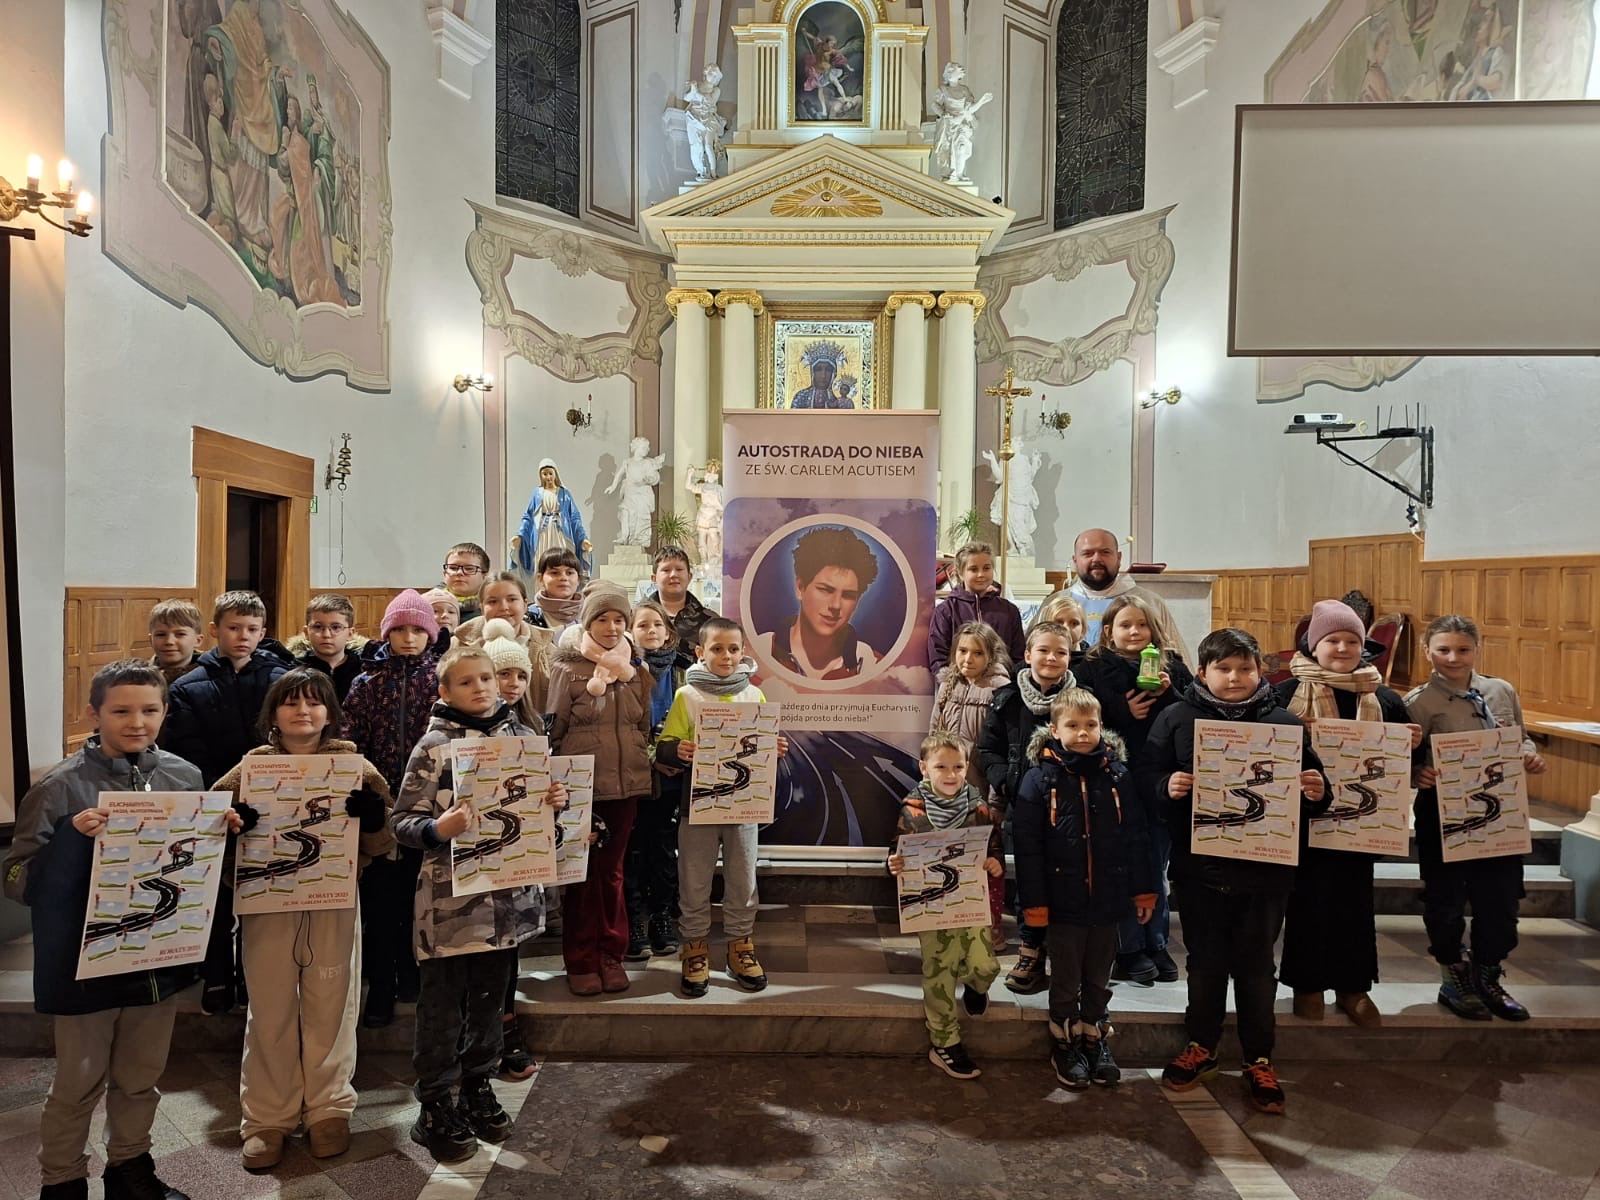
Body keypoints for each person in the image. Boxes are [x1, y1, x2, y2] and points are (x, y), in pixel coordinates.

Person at [2, 660, 228, 1200]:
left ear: (165, 712)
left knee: (141, 1077)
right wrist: (70, 840)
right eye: (121, 711)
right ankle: (61, 1182)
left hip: (154, 956)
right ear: (94, 714)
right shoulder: (58, 786)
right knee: (78, 1082)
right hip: (83, 961)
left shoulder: (184, 776)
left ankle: (130, 1170)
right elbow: (15, 878)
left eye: (149, 710)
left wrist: (224, 833)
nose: (137, 722)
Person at [390, 644, 567, 1163]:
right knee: (443, 1004)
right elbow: (402, 822)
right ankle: (434, 1102)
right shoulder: (434, 747)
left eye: (486, 678)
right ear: (445, 692)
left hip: (509, 901)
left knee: (491, 1000)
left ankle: (477, 1085)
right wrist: (436, 828)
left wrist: (553, 805)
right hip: (451, 904)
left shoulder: (524, 739)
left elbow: (540, 824)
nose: (481, 688)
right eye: (466, 682)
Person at [1141, 628, 1328, 1115]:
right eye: (1223, 668)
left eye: (1244, 668)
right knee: (1205, 963)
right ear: (1203, 672)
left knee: (1256, 967)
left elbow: (1314, 787)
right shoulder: (1176, 718)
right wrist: (1166, 785)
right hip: (1199, 868)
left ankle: (1258, 1057)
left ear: (1260, 671)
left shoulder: (1285, 723)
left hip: (1266, 871)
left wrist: (1316, 791)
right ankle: (1201, 1045)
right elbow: (1146, 775)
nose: (1234, 677)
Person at [213, 668, 393, 1170]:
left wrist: (372, 819)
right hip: (267, 902)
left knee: (332, 1005)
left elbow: (384, 842)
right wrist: (235, 828)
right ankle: (267, 1117)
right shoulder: (250, 769)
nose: (302, 711)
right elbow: (208, 830)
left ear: (330, 713)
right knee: (269, 1006)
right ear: (272, 713)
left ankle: (328, 1109)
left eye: (314, 702)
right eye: (290, 702)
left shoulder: (355, 767)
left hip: (333, 898)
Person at [1276, 599, 1417, 1026]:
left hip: (1361, 822)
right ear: (1313, 646)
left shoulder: (1385, 699)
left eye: (1352, 641)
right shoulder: (1284, 694)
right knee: (1308, 902)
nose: (1342, 648)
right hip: (1305, 822)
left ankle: (1354, 987)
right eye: (1332, 640)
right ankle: (1307, 985)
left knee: (1354, 905)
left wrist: (1412, 744)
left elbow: (1408, 765)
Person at [1406, 614, 1546, 1021]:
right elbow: (1405, 758)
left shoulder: (1501, 691)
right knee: (1446, 898)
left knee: (1500, 899)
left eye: (1463, 649)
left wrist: (1529, 754)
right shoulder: (1417, 702)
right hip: (1443, 812)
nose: (1453, 658)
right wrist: (1418, 773)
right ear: (1427, 652)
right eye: (1443, 649)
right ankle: (1454, 976)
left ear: (1477, 650)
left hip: (1500, 811)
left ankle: (1489, 975)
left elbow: (1521, 737)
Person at [160, 589, 293, 1014]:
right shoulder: (187, 686)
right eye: (234, 628)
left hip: (268, 802)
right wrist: (219, 798)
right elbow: (185, 752)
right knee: (213, 892)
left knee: (259, 888)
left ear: (263, 632)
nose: (243, 636)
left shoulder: (280, 679)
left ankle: (253, 974)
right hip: (213, 801)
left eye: (252, 629)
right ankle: (216, 972)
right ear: (215, 630)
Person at [1015, 689, 1156, 1090]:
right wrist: (1034, 906)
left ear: (1101, 727)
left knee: (1098, 975)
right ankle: (1064, 1041)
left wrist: (1143, 891)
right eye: (1072, 725)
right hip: (1062, 902)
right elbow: (1027, 848)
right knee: (1065, 977)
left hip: (1108, 899)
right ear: (1054, 730)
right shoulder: (1039, 779)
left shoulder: (1118, 776)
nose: (1082, 733)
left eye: (1090, 725)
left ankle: (1094, 1035)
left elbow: (1136, 836)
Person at [656, 617, 790, 997]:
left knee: (743, 880)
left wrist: (774, 748)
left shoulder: (754, 695)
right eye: (717, 649)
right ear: (701, 652)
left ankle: (740, 946)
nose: (726, 656)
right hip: (697, 808)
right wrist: (678, 751)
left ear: (743, 652)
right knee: (694, 881)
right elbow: (665, 746)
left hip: (743, 809)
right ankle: (695, 948)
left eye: (733, 649)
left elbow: (762, 745)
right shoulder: (687, 696)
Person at [1074, 593, 1194, 985]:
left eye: (1142, 625)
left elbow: (1192, 714)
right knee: (1119, 864)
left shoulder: (1172, 665)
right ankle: (1128, 947)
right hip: (1112, 779)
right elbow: (1080, 718)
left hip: (1158, 780)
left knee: (1156, 864)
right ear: (1109, 631)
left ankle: (1156, 941)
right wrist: (1123, 712)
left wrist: (1169, 694)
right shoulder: (1092, 668)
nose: (1135, 632)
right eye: (1125, 625)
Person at [342, 589, 445, 1029]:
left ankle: (413, 974)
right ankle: (381, 985)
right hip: (381, 810)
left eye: (417, 630)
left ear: (430, 635)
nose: (408, 638)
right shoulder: (366, 683)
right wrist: (365, 791)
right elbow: (351, 741)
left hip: (426, 808)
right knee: (381, 901)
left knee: (419, 897)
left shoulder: (439, 680)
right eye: (399, 630)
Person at [546, 591, 654, 996]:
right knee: (581, 874)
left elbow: (642, 726)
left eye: (619, 620)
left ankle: (611, 955)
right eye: (602, 620)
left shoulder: (637, 669)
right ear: (588, 624)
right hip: (581, 788)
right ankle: (581, 958)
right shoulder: (567, 668)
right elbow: (554, 730)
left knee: (612, 873)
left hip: (624, 788)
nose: (612, 628)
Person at [887, 732, 1003, 1081]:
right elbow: (896, 851)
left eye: (958, 767)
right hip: (932, 909)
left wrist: (995, 862)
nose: (951, 774)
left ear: (967, 767)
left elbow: (993, 847)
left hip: (970, 903)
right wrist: (893, 864)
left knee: (986, 965)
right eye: (941, 767)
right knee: (940, 971)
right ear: (924, 768)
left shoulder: (979, 808)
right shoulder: (912, 810)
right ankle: (945, 1042)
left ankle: (976, 986)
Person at [977, 620, 1079, 993]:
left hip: (1071, 810)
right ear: (1027, 654)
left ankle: (1063, 952)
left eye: (1061, 652)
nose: (1051, 658)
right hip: (1024, 807)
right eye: (1044, 650)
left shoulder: (1081, 700)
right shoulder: (1007, 700)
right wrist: (1006, 781)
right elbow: (987, 748)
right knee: (1030, 881)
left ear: (1070, 657)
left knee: (1067, 882)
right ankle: (1031, 950)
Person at [929, 621, 1011, 948]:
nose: (967, 659)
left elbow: (1000, 750)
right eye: (962, 651)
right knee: (951, 857)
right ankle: (954, 922)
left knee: (987, 859)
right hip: (949, 793)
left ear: (991, 655)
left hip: (982, 792)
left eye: (977, 653)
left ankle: (991, 924)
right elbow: (934, 736)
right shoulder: (947, 685)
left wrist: (997, 801)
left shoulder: (1000, 689)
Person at [626, 599, 685, 960]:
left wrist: (675, 756)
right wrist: (654, 758)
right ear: (630, 631)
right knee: (633, 850)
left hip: (673, 778)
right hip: (635, 775)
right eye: (642, 625)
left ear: (668, 632)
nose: (651, 631)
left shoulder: (683, 672)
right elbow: (623, 727)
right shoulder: (624, 670)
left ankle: (661, 917)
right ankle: (633, 920)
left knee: (664, 849)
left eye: (657, 625)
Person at [754, 526, 882, 679]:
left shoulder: (875, 666)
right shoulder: (758, 651)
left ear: (857, 601)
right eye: (825, 590)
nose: (835, 605)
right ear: (800, 588)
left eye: (848, 595)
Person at [1061, 528, 1188, 658]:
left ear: (1119, 558)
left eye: (1105, 552)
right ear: (1075, 560)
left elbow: (1173, 656)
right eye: (1088, 553)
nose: (1097, 559)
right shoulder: (1058, 603)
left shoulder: (1149, 602)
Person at [455, 572, 554, 713]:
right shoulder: (459, 645)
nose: (503, 607)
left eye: (512, 599)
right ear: (481, 607)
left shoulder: (546, 649)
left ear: (525, 604)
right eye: (493, 601)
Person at [927, 541, 1025, 669]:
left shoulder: (1009, 610)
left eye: (986, 568)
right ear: (960, 573)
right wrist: (952, 680)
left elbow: (1018, 656)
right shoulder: (946, 611)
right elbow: (938, 657)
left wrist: (1006, 679)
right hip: (957, 680)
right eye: (973, 569)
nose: (981, 574)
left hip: (1001, 680)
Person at [512, 459, 592, 584]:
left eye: (550, 473)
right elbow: (527, 517)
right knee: (541, 562)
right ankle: (542, 589)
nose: (548, 477)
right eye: (545, 474)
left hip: (561, 533)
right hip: (542, 534)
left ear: (555, 474)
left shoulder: (564, 493)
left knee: (563, 560)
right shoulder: (537, 493)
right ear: (540, 475)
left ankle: (563, 588)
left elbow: (575, 518)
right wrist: (520, 535)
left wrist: (583, 538)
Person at [647, 545, 717, 667]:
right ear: (654, 578)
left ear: (689, 577)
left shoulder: (710, 621)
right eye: (666, 570)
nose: (673, 574)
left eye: (679, 569)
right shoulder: (638, 619)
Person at [289, 593, 368, 702]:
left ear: (350, 633)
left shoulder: (365, 670)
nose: (326, 635)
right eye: (318, 627)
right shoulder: (293, 670)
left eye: (336, 627)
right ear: (306, 632)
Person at [146, 598, 203, 685]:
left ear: (197, 640)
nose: (169, 641)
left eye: (180, 634)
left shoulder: (211, 675)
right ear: (151, 640)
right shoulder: (140, 677)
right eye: (161, 634)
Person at [531, 547, 586, 633]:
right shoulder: (529, 616)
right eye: (554, 573)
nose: (563, 578)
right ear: (540, 579)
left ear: (578, 579)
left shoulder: (591, 613)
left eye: (569, 573)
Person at [1029, 592, 1089, 663]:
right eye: (1058, 623)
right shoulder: (1033, 660)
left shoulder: (1093, 662)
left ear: (1083, 629)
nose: (1066, 628)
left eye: (1074, 623)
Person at [439, 543, 491, 624]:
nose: (459, 573)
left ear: (484, 576)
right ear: (444, 573)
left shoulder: (492, 609)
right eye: (453, 568)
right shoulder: (427, 606)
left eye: (469, 568)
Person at [789, 343, 850, 409]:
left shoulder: (837, 401)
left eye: (828, 370)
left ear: (834, 374)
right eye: (818, 369)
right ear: (812, 372)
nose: (823, 375)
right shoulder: (801, 397)